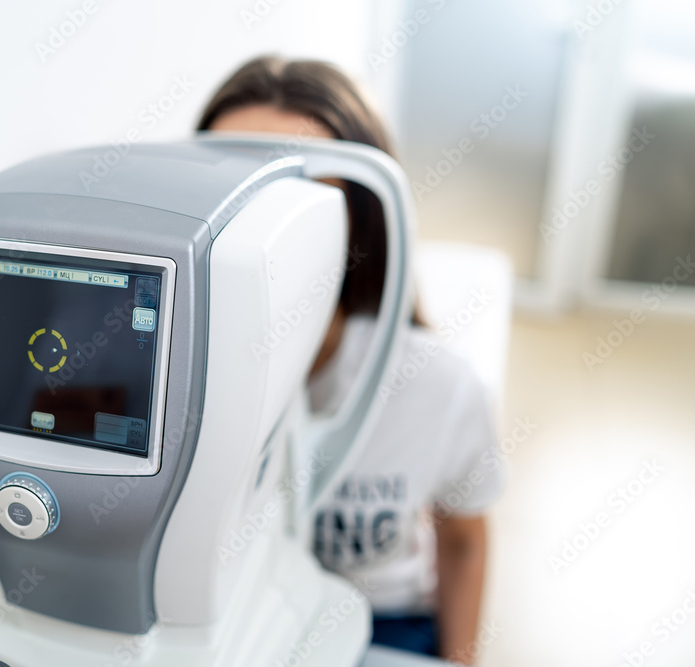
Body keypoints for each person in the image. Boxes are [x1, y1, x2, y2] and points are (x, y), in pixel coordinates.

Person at [198, 56, 504, 664]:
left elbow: (464, 538)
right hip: (227, 623)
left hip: (382, 623)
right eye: (230, 194)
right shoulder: (156, 378)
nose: (254, 241)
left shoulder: (438, 387)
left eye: (294, 202)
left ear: (359, 225)